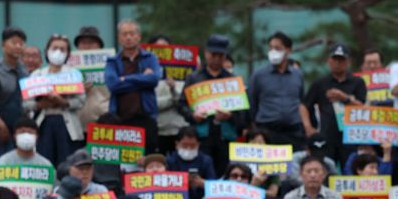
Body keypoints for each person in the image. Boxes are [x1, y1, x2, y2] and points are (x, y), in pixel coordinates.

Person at [178, 34, 249, 175]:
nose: (216, 59)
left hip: (225, 138)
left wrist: (229, 116)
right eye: (213, 55)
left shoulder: (233, 81)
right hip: (201, 137)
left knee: (224, 173)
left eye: (220, 56)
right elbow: (181, 104)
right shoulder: (194, 78)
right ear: (206, 53)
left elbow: (243, 115)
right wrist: (193, 116)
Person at [23, 34, 85, 166]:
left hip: (67, 125)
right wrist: (40, 104)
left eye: (63, 49)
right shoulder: (37, 74)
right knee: (45, 162)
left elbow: (80, 101)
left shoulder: (74, 74)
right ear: (47, 51)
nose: (58, 52)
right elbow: (26, 103)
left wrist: (63, 102)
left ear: (68, 53)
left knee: (67, 163)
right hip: (44, 123)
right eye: (55, 48)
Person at [300, 44, 367, 167]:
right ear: (328, 61)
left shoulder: (357, 82)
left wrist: (344, 98)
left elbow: (362, 107)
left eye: (341, 59)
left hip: (350, 136)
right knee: (326, 168)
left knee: (349, 168)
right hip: (327, 135)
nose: (337, 63)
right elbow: (304, 105)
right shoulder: (320, 83)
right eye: (334, 59)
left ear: (348, 61)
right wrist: (308, 127)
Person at [105, 19, 161, 154]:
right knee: (123, 162)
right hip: (121, 120)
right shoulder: (113, 61)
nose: (128, 37)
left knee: (147, 160)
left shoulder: (150, 58)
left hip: (145, 117)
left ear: (139, 36)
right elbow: (113, 85)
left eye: (131, 33)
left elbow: (154, 80)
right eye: (124, 34)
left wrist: (126, 79)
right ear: (119, 38)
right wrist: (142, 78)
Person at [248, 32, 305, 148]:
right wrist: (255, 130)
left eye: (278, 48)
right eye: (271, 48)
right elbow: (251, 103)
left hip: (292, 132)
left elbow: (301, 101)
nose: (273, 52)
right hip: (267, 132)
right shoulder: (259, 75)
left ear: (288, 50)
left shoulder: (297, 75)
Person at [0, 26, 27, 165]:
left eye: (21, 43)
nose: (18, 46)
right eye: (14, 42)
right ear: (3, 45)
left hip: (20, 125)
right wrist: (0, 126)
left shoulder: (24, 70)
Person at [0, 116, 54, 183]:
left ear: (37, 136)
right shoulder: (3, 162)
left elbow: (55, 190)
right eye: (22, 132)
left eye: (30, 132)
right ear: (14, 136)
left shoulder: (46, 166)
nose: (26, 136)